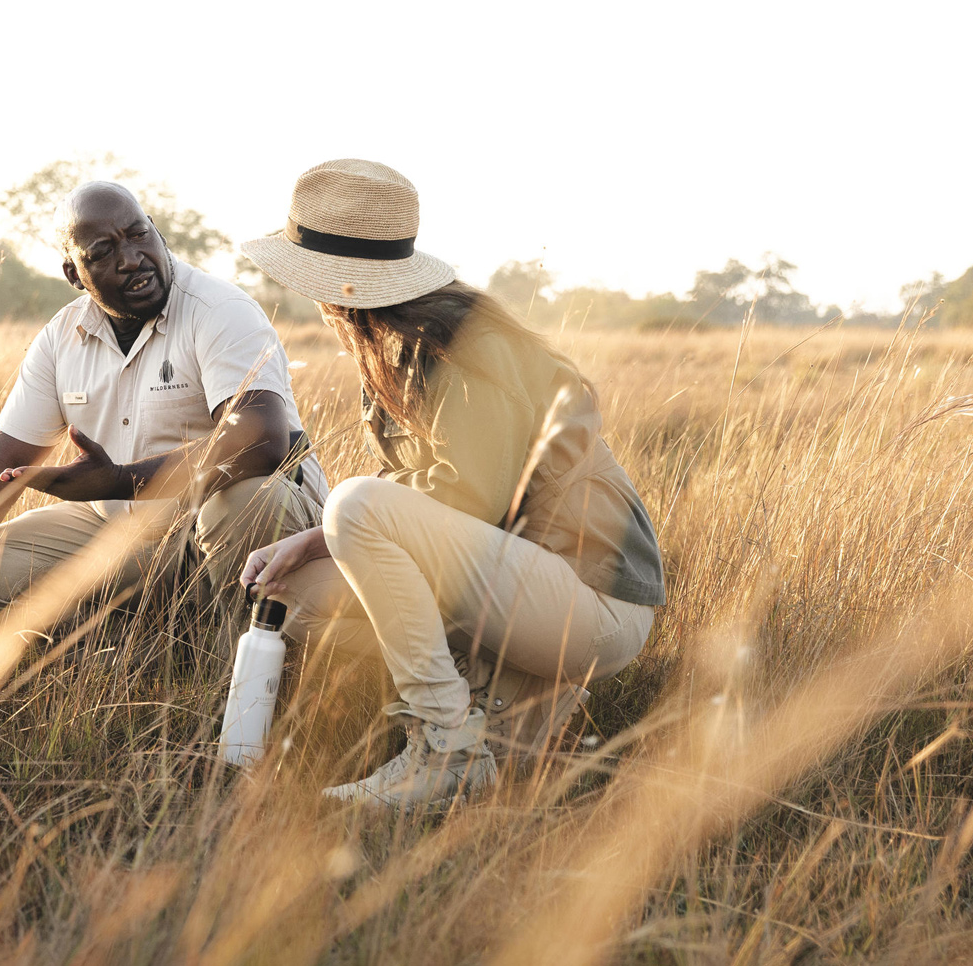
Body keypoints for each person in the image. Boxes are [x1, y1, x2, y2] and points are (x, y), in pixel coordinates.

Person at [237, 159, 665, 808]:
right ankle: (512, 710)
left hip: (591, 601)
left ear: (341, 280)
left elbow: (473, 499)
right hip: (522, 580)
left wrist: (338, 522)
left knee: (354, 505)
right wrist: (314, 542)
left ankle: (449, 748)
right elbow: (426, 490)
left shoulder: (463, 345)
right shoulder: (388, 337)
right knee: (296, 589)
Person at [0, 181, 329, 651]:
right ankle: (142, 657)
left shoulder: (220, 310)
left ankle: (237, 675)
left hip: (234, 528)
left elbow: (260, 442)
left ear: (159, 235)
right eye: (103, 251)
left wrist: (121, 480)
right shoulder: (62, 338)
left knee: (251, 500)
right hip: (128, 535)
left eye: (139, 234)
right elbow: (2, 463)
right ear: (75, 273)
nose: (131, 258)